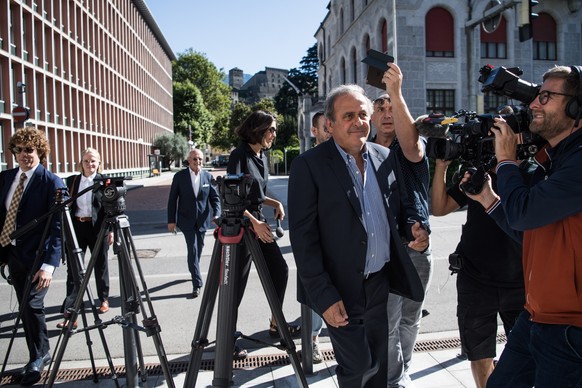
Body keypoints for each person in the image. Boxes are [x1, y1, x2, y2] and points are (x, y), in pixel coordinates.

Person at [288, 84, 428, 387]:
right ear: (330, 124)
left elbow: (398, 212)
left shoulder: (384, 156)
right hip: (338, 287)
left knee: (379, 364)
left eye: (363, 114)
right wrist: (324, 297)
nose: (358, 122)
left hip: (379, 283)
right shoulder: (308, 166)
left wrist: (412, 229)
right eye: (348, 115)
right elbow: (303, 239)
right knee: (358, 366)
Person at [461, 65, 582, 387]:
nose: (533, 105)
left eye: (546, 96)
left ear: (576, 106)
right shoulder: (555, 158)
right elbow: (531, 233)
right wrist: (488, 199)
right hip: (537, 315)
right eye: (535, 95)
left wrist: (506, 161)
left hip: (570, 327)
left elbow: (524, 213)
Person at [373, 62, 433, 388]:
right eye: (379, 107)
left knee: (411, 319)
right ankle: (395, 380)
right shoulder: (362, 152)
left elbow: (411, 143)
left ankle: (403, 369)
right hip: (384, 252)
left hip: (417, 250)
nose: (386, 113)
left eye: (390, 107)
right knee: (389, 321)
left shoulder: (411, 147)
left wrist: (396, 92)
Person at [226, 110, 300, 356]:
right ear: (257, 129)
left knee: (280, 270)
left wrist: (273, 203)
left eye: (275, 130)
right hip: (240, 226)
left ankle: (276, 322)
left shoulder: (261, 157)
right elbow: (232, 197)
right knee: (235, 286)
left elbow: (255, 194)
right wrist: (253, 222)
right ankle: (227, 340)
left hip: (258, 223)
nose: (274, 134)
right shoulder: (239, 155)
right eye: (270, 129)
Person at [0, 127, 63, 386]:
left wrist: (49, 266)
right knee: (25, 307)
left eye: (30, 149)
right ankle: (37, 353)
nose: (25, 154)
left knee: (32, 305)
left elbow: (58, 229)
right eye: (20, 150)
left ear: (40, 152)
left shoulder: (51, 183)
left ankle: (39, 356)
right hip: (12, 253)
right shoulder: (4, 179)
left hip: (38, 257)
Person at [57, 148, 114, 328]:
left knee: (100, 264)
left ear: (99, 163)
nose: (90, 164)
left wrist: (111, 230)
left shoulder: (104, 181)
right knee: (74, 270)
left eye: (93, 161)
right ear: (81, 163)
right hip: (77, 227)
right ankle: (71, 311)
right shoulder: (73, 180)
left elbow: (110, 207)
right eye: (86, 161)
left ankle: (103, 299)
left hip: (98, 228)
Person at [167, 148, 220, 298]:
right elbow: (172, 200)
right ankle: (197, 283)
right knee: (193, 249)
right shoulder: (179, 177)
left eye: (200, 159)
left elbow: (215, 198)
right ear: (189, 161)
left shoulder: (208, 177)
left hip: (203, 220)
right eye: (195, 159)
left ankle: (193, 268)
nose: (198, 162)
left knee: (199, 248)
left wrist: (217, 213)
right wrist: (171, 221)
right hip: (185, 220)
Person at [307, 110, 331, 364]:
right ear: (314, 131)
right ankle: (312, 341)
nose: (330, 130)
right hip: (318, 244)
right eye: (325, 127)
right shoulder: (307, 163)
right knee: (316, 296)